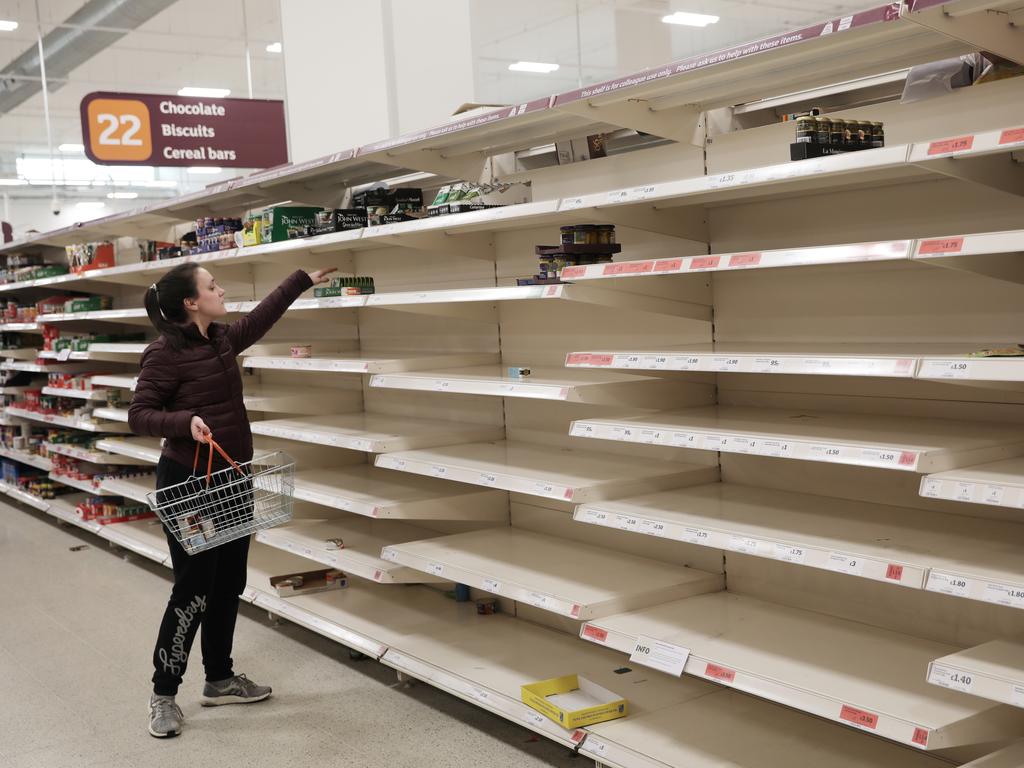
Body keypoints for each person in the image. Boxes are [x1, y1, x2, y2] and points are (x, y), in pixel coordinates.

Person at [129, 262, 335, 738]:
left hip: (231, 479)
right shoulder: (163, 354)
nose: (221, 290)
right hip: (189, 487)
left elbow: (260, 319)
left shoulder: (220, 340)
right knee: (193, 590)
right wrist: (185, 423)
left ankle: (219, 679)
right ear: (190, 302)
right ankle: (163, 694)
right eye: (212, 286)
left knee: (229, 583)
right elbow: (140, 414)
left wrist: (300, 278)